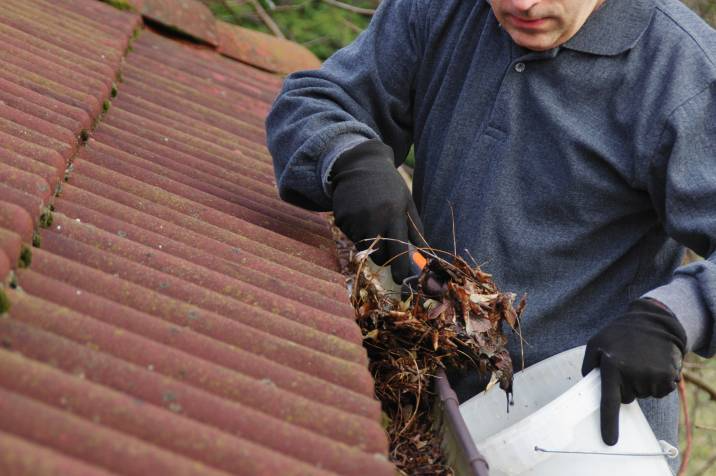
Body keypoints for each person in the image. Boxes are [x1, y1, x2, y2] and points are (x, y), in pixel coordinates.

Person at [266, 0, 715, 471]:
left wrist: (678, 315)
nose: (522, 3)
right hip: (426, 404)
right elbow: (313, 100)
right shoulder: (437, 11)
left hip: (585, 433)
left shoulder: (685, 72)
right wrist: (347, 157)